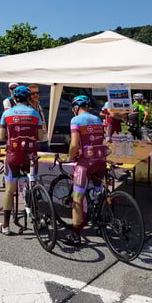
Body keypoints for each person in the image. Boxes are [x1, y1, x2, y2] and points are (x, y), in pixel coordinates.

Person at [0, 85, 44, 235]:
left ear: (15, 98)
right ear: (28, 98)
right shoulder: (35, 113)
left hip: (13, 154)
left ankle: (6, 225)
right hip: (30, 155)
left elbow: (1, 137)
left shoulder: (7, 113)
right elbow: (41, 136)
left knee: (10, 190)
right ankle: (37, 217)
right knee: (32, 185)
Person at [67, 95, 107, 245]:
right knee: (99, 193)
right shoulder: (97, 119)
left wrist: (70, 157)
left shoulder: (76, 120)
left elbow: (74, 144)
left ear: (76, 107)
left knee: (77, 198)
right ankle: (101, 223)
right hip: (100, 161)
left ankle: (75, 235)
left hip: (86, 163)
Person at [28, 84, 49, 151]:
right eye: (33, 93)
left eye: (37, 93)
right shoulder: (27, 107)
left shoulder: (39, 105)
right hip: (34, 140)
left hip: (44, 138)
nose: (36, 95)